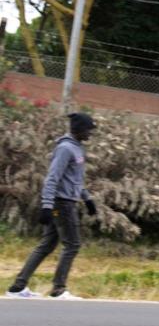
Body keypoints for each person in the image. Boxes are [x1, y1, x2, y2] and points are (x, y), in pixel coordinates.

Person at [7, 112, 98, 299]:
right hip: (62, 204)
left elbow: (75, 179)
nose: (91, 133)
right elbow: (52, 178)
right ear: (79, 129)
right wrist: (47, 205)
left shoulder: (78, 148)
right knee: (72, 245)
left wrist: (87, 199)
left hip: (67, 201)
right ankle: (58, 289)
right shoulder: (65, 148)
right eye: (89, 129)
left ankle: (18, 287)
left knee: (46, 245)